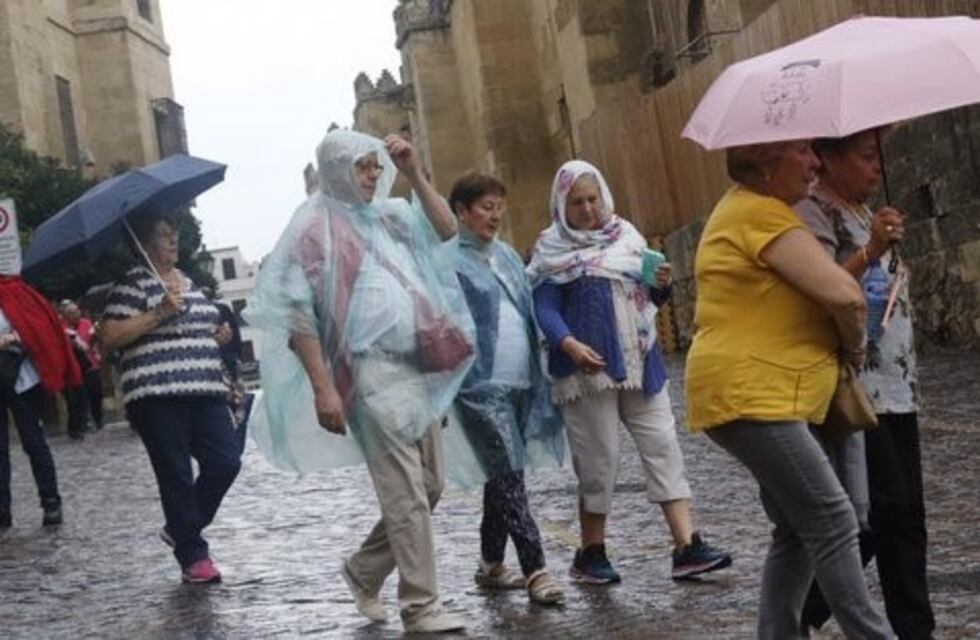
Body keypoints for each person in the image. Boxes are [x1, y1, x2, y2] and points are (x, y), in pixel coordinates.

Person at [247, 130, 474, 633]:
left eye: (376, 166)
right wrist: (324, 387)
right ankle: (421, 606)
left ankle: (364, 570)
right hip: (370, 372)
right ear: (337, 171)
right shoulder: (314, 231)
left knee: (430, 486)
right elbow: (299, 317)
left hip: (418, 364)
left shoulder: (390, 216)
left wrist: (414, 173)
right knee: (406, 493)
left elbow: (446, 231)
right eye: (363, 166)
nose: (373, 175)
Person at [685, 140, 894, 639]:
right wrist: (855, 347)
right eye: (802, 152)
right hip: (754, 394)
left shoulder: (755, 211)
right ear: (766, 163)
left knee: (797, 530)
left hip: (763, 392)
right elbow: (844, 296)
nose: (815, 162)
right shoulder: (759, 214)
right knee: (832, 518)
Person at [527, 160, 731, 585]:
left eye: (592, 199)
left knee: (663, 445)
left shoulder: (627, 238)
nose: (587, 209)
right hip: (586, 372)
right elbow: (544, 307)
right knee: (599, 459)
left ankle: (686, 546)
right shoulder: (552, 250)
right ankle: (591, 552)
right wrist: (568, 343)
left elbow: (650, 298)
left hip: (642, 362)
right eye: (577, 202)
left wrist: (660, 283)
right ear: (561, 205)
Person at [797, 129, 935, 639]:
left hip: (896, 384)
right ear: (829, 159)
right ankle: (802, 606)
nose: (876, 166)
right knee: (881, 510)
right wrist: (872, 250)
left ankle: (911, 629)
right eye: (865, 156)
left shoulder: (864, 212)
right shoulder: (814, 213)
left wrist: (883, 244)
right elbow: (822, 288)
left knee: (904, 514)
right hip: (853, 387)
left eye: (878, 156)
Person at [101, 212, 241, 584]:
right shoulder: (132, 286)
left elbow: (197, 326)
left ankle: (180, 528)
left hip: (206, 389)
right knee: (176, 473)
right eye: (164, 234)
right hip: (156, 395)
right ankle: (193, 556)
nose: (173, 239)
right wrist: (159, 312)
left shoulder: (187, 281)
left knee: (225, 461)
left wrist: (216, 335)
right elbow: (109, 337)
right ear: (143, 244)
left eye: (174, 232)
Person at [449, 171, 565, 606]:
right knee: (510, 476)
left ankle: (490, 563)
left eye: (499, 207)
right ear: (462, 212)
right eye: (486, 207)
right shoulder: (450, 262)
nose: (495, 215)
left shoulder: (508, 256)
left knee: (502, 476)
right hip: (480, 387)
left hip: (521, 381)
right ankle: (537, 570)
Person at [0, 276, 81, 529]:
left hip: (21, 378)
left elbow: (37, 329)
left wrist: (14, 338)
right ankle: (2, 512)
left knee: (34, 442)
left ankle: (50, 501)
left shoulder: (15, 290)